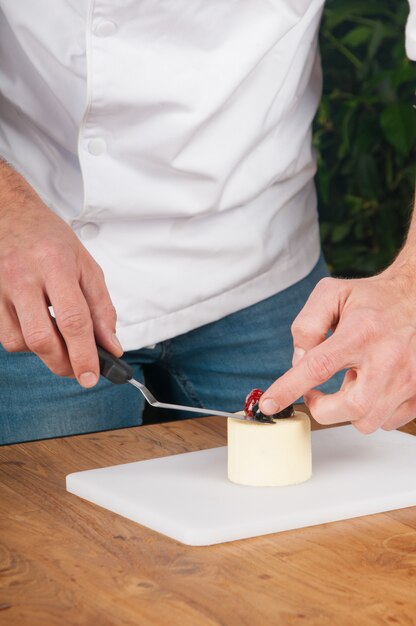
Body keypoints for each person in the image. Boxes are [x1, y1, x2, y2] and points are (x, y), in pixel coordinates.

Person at [0, 2, 414, 445]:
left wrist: (408, 289)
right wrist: (9, 210)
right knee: (54, 509)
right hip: (35, 277)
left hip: (261, 259)